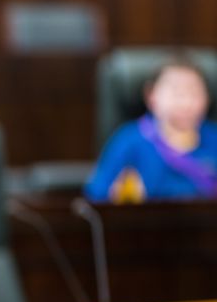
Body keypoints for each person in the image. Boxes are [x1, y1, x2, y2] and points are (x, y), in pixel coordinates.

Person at [85, 57, 217, 203]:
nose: (186, 102)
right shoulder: (128, 141)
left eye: (194, 92)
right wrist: (118, 195)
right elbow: (95, 196)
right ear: (151, 96)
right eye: (176, 92)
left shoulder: (214, 138)